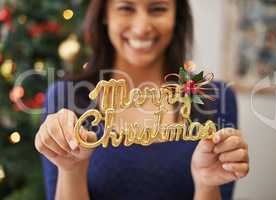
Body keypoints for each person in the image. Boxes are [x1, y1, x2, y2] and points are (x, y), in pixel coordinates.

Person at [35, 0, 249, 199]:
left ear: (177, 16)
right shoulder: (66, 97)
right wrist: (71, 170)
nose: (141, 27)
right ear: (105, 15)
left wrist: (206, 185)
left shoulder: (214, 98)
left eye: (157, 9)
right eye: (126, 8)